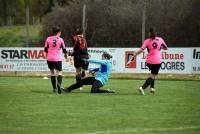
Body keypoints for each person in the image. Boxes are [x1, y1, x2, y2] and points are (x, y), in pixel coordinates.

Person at [132, 28, 168, 95]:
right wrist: (160, 47)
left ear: (149, 34)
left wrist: (135, 54)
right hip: (157, 61)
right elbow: (166, 48)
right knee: (153, 76)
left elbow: (141, 50)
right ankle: (142, 88)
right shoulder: (160, 39)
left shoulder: (147, 41)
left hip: (149, 61)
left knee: (152, 73)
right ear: (155, 33)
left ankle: (152, 88)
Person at [44, 26, 68, 94]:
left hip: (50, 58)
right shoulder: (60, 39)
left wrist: (47, 57)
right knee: (59, 73)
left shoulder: (48, 39)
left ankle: (54, 89)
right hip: (57, 59)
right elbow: (64, 50)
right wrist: (66, 56)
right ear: (59, 32)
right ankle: (59, 85)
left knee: (52, 73)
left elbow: (45, 49)